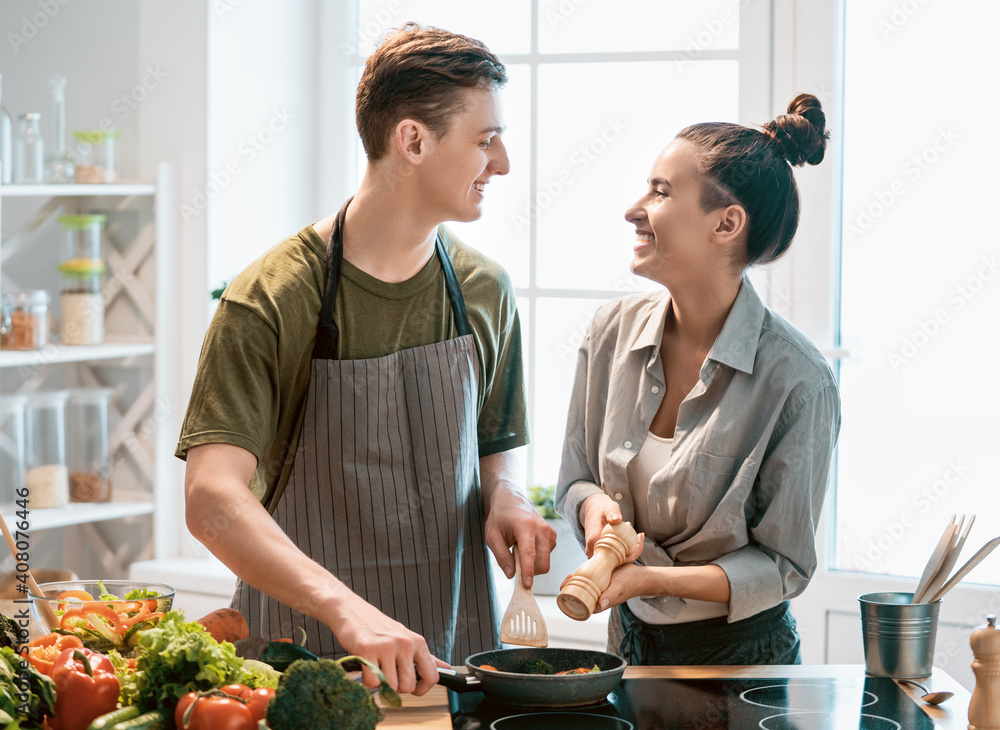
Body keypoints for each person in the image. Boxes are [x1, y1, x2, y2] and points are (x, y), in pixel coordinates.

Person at [176, 23, 555, 695]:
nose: (500, 164)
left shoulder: (483, 290)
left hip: (454, 658)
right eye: (485, 140)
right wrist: (345, 609)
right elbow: (211, 497)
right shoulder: (271, 297)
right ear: (412, 140)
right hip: (301, 665)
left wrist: (509, 497)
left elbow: (497, 448)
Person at [556, 94, 841, 666]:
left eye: (661, 192)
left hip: (740, 659)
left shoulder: (798, 381)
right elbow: (576, 480)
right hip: (628, 644)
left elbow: (783, 565)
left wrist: (648, 581)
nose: (635, 209)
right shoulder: (610, 332)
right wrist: (593, 512)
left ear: (727, 223)